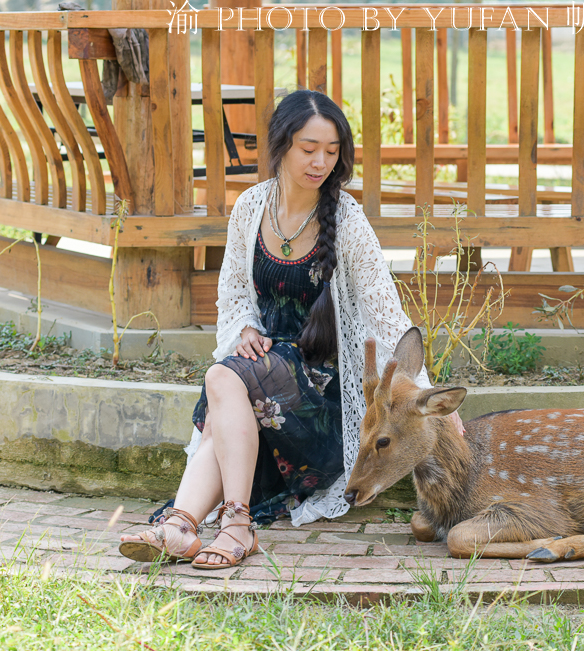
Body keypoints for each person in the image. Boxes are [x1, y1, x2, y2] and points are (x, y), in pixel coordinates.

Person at [118, 89, 464, 569]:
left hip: (320, 395)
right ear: (281, 145)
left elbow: (389, 317)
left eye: (331, 150)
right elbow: (234, 293)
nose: (320, 161)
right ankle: (186, 528)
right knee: (226, 386)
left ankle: (220, 525)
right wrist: (243, 328)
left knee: (221, 378)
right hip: (262, 372)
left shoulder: (346, 220)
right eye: (308, 148)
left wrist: (428, 397)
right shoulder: (250, 207)